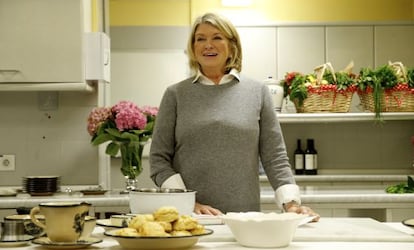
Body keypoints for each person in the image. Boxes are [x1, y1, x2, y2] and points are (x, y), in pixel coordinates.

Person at [149, 12, 319, 221]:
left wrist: (291, 205)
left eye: (217, 37)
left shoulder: (258, 92)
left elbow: (275, 157)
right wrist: (187, 203)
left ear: (232, 46)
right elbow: (158, 160)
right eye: (200, 39)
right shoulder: (175, 94)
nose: (207, 45)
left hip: (245, 219)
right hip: (190, 219)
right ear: (193, 48)